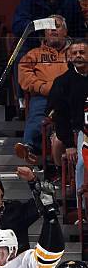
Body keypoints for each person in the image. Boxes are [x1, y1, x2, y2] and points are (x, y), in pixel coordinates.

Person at [15, 15, 70, 166]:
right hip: (44, 95)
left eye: (57, 26)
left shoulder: (77, 51)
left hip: (71, 96)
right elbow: (24, 74)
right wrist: (41, 86)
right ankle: (29, 148)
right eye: (49, 28)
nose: (53, 31)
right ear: (45, 33)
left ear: (65, 31)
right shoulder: (34, 54)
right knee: (37, 113)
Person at [47, 40, 88, 195]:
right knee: (83, 163)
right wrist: (69, 144)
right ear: (69, 57)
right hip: (81, 131)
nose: (78, 56)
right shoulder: (62, 82)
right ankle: (83, 208)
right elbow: (59, 115)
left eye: (82, 52)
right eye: (75, 53)